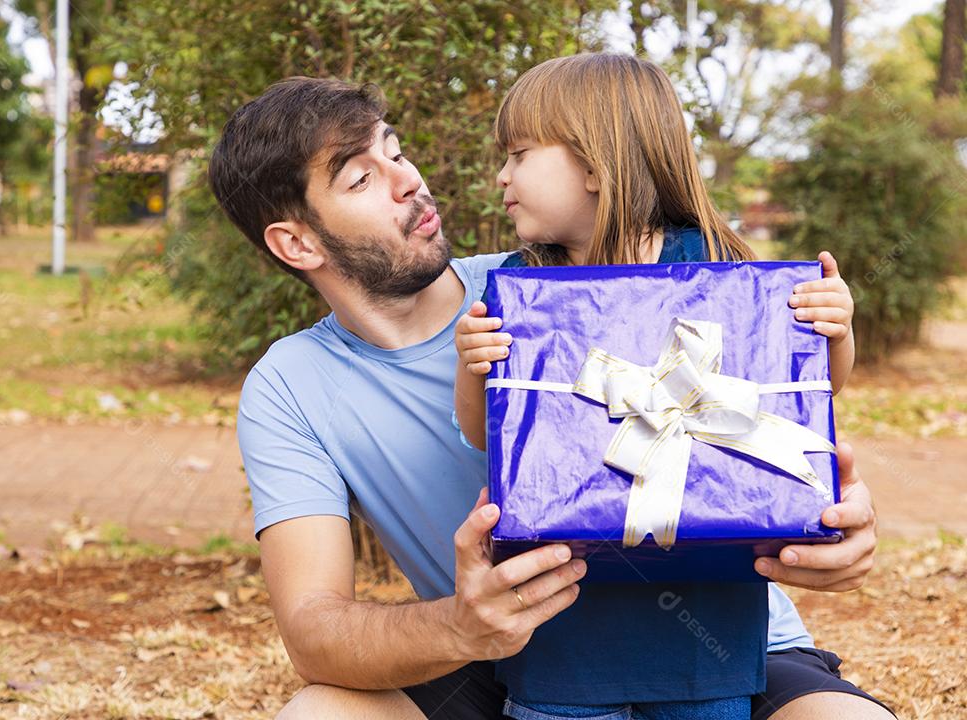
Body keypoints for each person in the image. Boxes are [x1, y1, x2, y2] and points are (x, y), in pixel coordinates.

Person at [207, 74, 890, 720]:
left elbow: (768, 392)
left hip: (737, 649)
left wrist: (825, 512)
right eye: (361, 178)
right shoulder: (291, 386)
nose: (408, 178)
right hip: (502, 658)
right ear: (296, 242)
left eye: (396, 152)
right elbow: (315, 632)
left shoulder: (567, 281)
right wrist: (461, 624)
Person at [452, 54, 867, 720]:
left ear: (594, 165)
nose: (502, 176)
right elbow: (484, 435)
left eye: (519, 154)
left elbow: (802, 392)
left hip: (708, 643)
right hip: (560, 644)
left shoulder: (716, 263)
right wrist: (472, 365)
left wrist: (833, 331)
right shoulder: (518, 286)